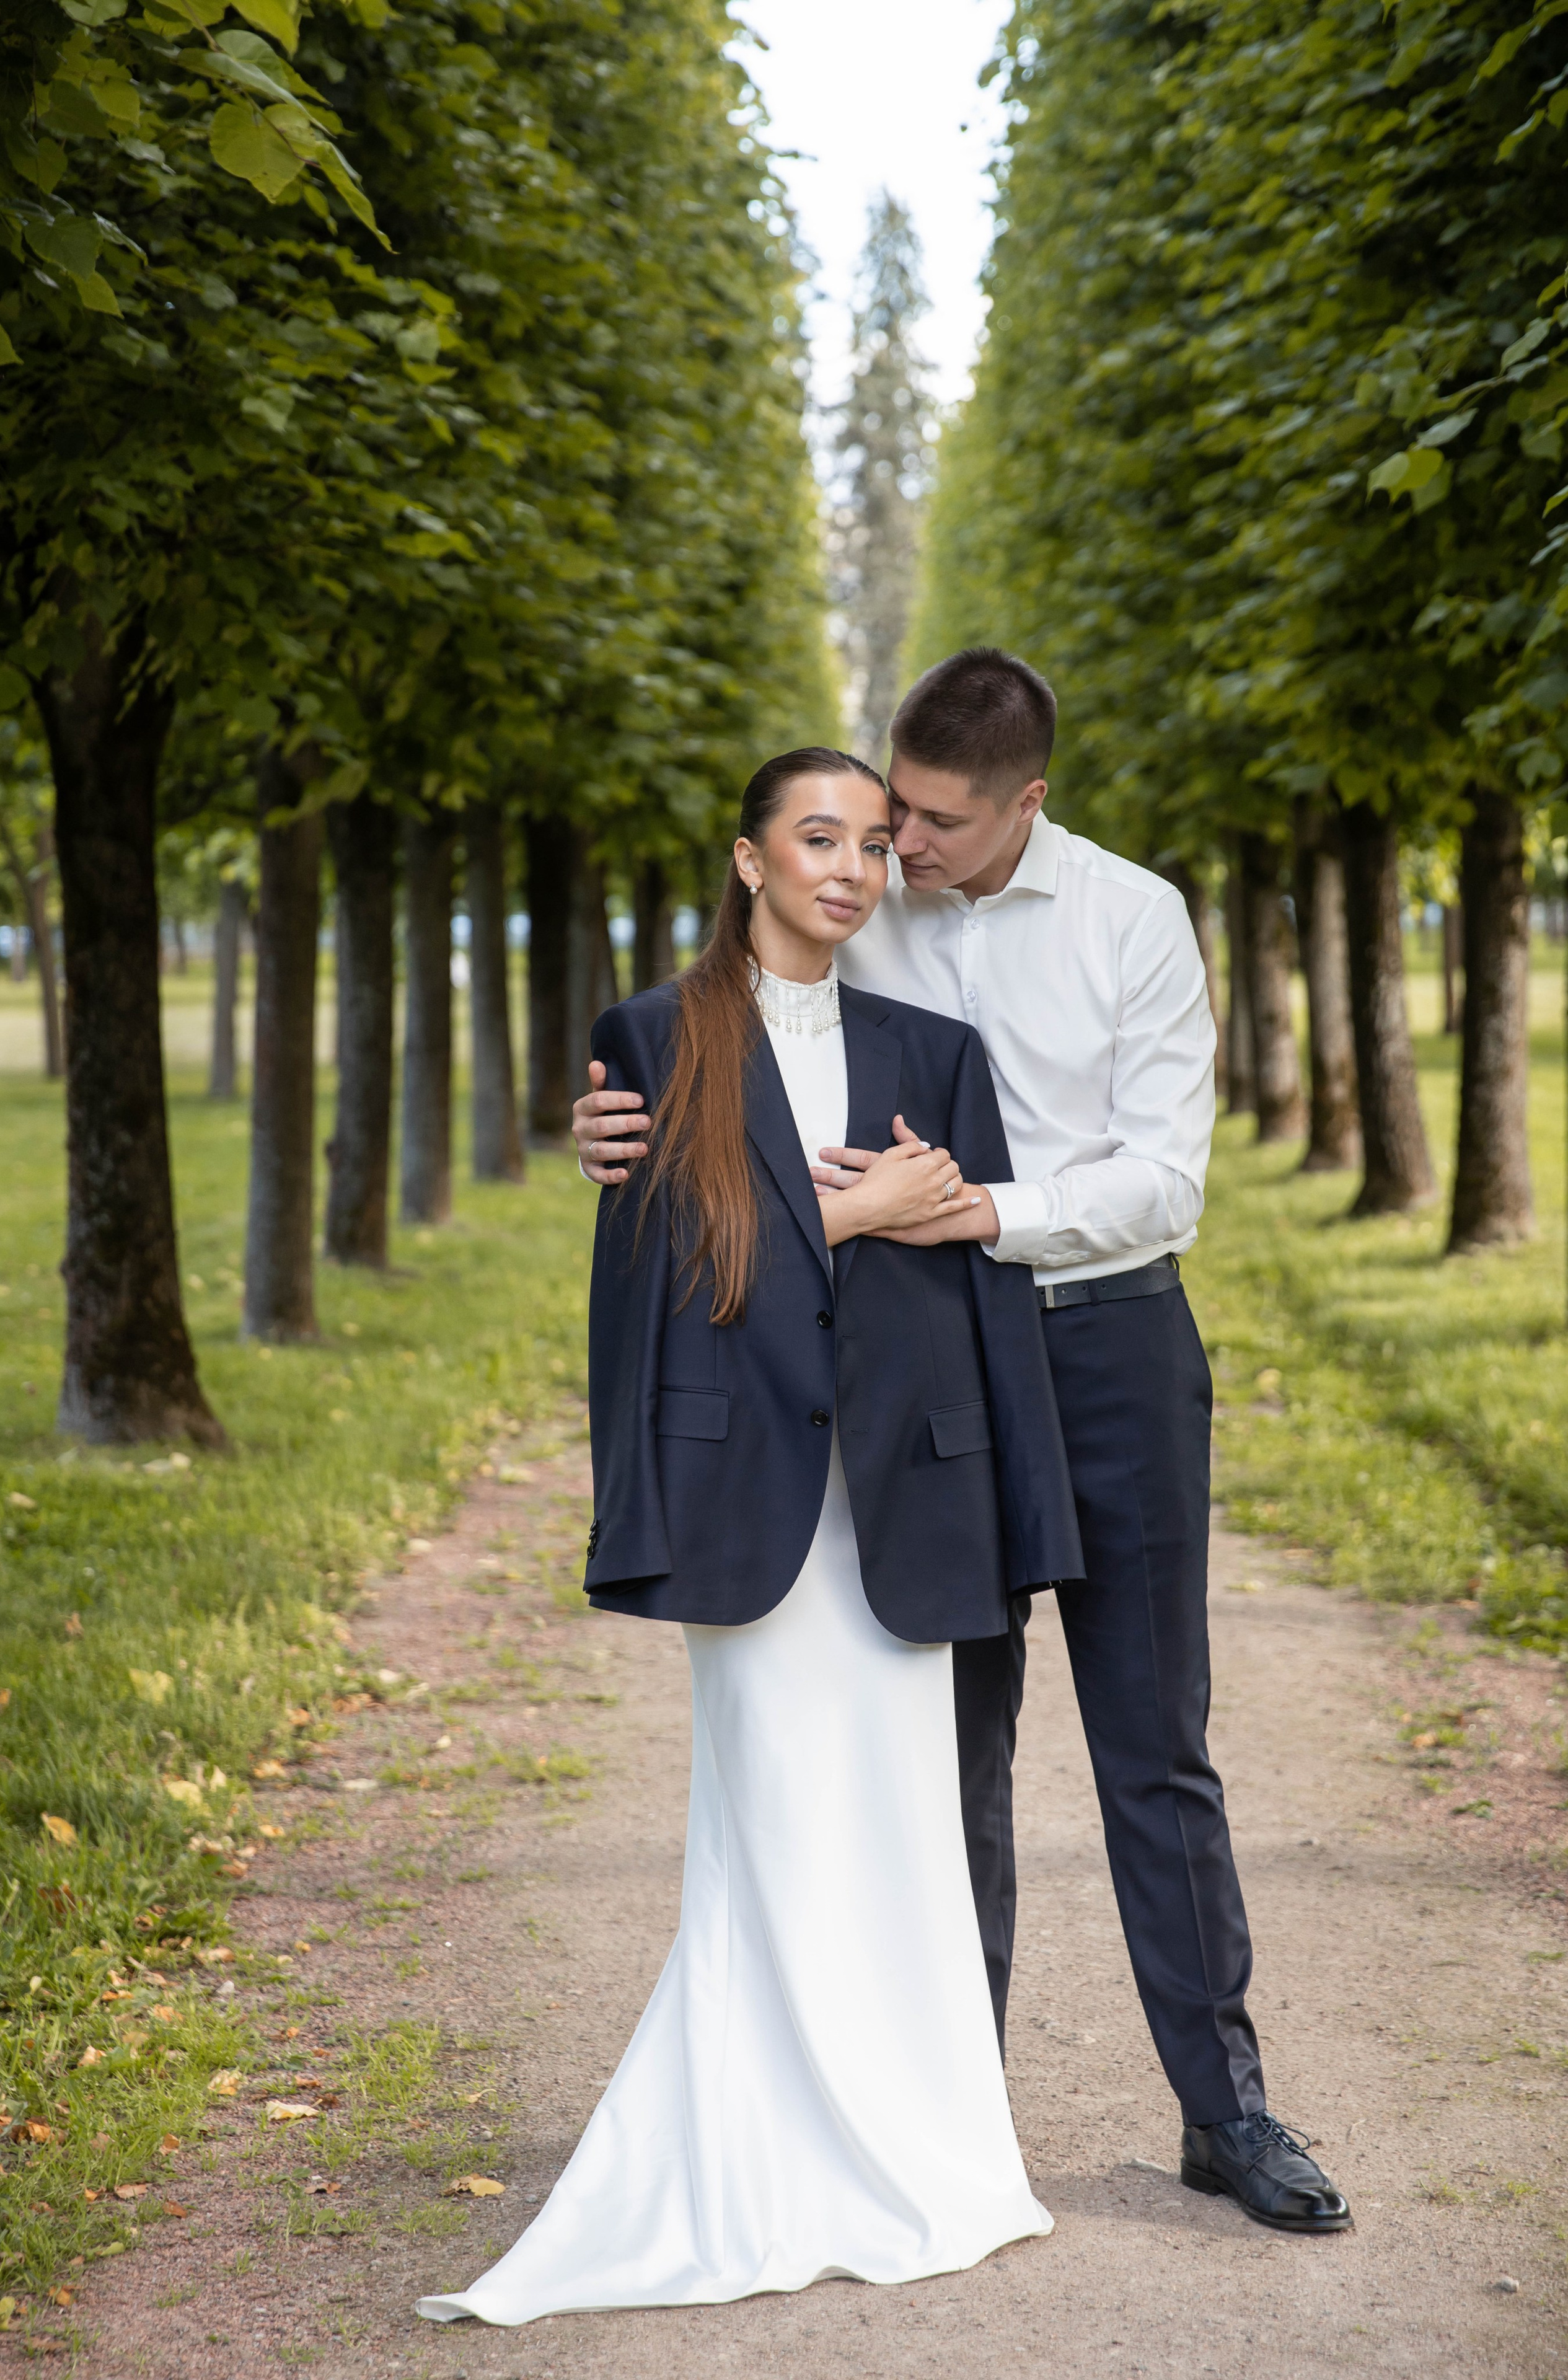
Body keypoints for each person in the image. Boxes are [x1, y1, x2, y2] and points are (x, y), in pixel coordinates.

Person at [575, 653, 1353, 2237]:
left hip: (1109, 1339)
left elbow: (1160, 1179)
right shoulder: (861, 896)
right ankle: (950, 2115)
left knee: (1154, 1746)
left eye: (926, 824)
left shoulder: (1135, 916)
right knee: (952, 1749)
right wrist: (612, 1123)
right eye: (878, 818)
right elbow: (733, 1023)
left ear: (1025, 805)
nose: (893, 849)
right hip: (923, 1360)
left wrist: (980, 1208)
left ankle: (1225, 2113)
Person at [418, 746, 1083, 2330]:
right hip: (750, 1507)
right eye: (815, 839)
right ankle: (757, 2157)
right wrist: (844, 1214)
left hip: (903, 1497)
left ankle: (923, 2150)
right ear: (747, 858)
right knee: (771, 1827)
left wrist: (1019, 1509)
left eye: (869, 844)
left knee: (907, 1830)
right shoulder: (652, 1039)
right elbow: (662, 1289)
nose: (849, 868)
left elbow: (977, 1307)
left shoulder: (934, 1046)